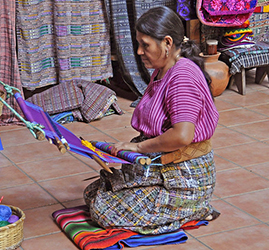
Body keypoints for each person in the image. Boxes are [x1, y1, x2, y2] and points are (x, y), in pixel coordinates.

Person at [84, 6, 220, 235]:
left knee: (102, 209)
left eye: (145, 45)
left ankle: (195, 207)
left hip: (184, 178)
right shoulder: (163, 70)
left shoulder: (183, 76)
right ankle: (184, 208)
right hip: (161, 166)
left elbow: (182, 135)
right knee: (93, 192)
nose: (139, 51)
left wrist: (138, 146)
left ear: (167, 43)